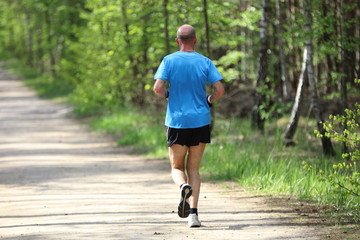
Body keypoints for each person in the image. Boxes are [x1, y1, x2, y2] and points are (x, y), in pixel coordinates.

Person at [153, 24, 224, 228]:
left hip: (177, 121)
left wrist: (168, 96)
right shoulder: (205, 62)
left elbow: (157, 87)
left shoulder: (169, 60)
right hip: (200, 120)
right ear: (195, 40)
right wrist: (209, 101)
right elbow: (219, 89)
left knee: (177, 167)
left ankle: (183, 186)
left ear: (178, 41)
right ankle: (193, 215)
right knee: (194, 168)